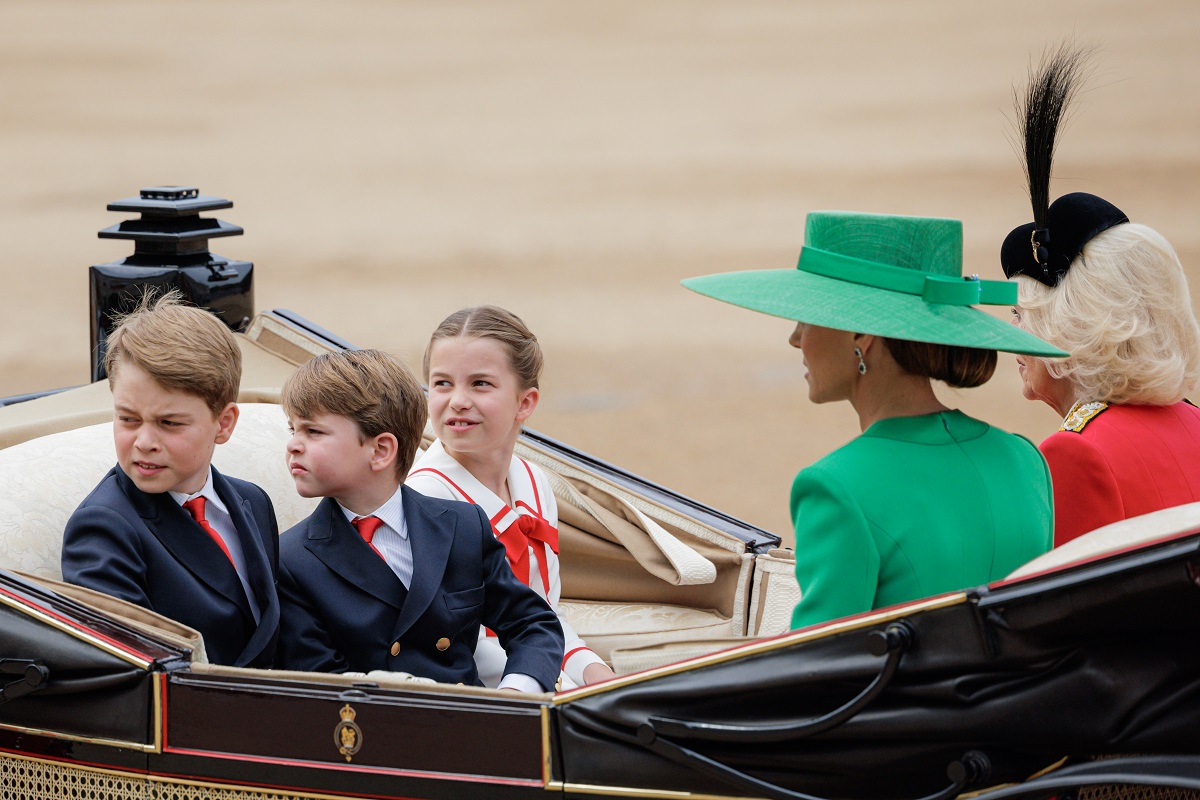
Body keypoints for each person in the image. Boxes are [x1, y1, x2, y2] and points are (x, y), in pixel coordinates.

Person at [683, 210, 1064, 629]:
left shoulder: (836, 487)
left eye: (807, 317)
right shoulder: (1023, 459)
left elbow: (815, 667)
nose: (795, 338)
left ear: (860, 336)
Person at [1000, 45, 1200, 547]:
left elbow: (1064, 614)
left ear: (1066, 327)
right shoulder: (1192, 421)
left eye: (1023, 312)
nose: (1012, 332)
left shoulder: (1077, 453)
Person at [275, 348, 564, 692]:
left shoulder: (461, 525)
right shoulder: (290, 560)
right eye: (293, 429)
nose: (293, 444)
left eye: (314, 432)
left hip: (477, 721)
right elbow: (322, 684)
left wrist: (517, 692)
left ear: (381, 450)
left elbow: (532, 623)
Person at [61, 292, 280, 668]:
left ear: (223, 424)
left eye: (169, 423)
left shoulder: (253, 501)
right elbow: (133, 672)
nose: (144, 442)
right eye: (128, 419)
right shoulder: (103, 529)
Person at [407, 306, 616, 689]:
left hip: (532, 669)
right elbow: (456, 643)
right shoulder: (426, 498)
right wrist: (553, 687)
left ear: (525, 403)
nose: (457, 400)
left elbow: (544, 615)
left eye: (480, 384)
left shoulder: (535, 484)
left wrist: (594, 673)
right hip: (481, 692)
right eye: (442, 383)